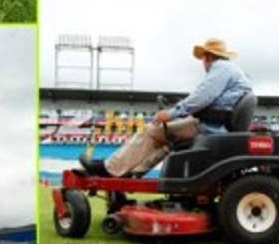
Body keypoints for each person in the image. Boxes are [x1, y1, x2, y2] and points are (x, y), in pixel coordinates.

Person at [80, 38, 254, 177]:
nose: (203, 63)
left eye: (203, 59)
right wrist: (180, 110)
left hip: (209, 127)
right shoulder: (235, 72)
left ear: (208, 57)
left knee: (150, 130)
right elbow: (206, 101)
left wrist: (171, 113)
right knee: (169, 143)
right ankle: (134, 173)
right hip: (218, 127)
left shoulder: (220, 68)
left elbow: (201, 98)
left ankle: (109, 168)